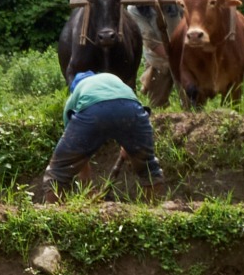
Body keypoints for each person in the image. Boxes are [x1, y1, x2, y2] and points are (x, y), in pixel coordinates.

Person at [37, 66, 171, 200]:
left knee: (58, 171)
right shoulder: (114, 81)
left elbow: (77, 153)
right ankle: (155, 210)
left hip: (94, 112)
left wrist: (86, 189)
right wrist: (132, 146)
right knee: (148, 168)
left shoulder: (75, 95)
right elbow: (132, 108)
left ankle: (54, 213)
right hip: (132, 111)